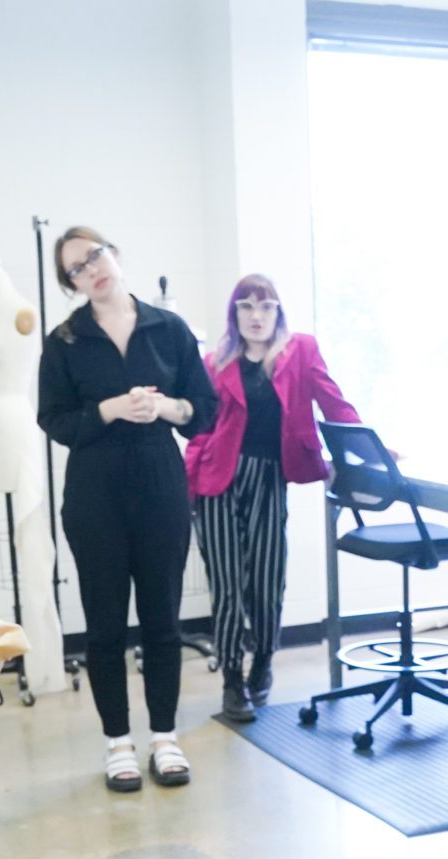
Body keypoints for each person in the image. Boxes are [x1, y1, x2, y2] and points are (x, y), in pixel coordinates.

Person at [37, 227, 217, 792]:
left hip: (161, 485)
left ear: (114, 254)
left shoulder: (169, 328)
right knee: (106, 626)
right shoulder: (64, 341)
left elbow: (204, 409)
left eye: (95, 256)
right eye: (76, 268)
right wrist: (111, 409)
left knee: (164, 620)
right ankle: (118, 742)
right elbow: (55, 421)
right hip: (95, 495)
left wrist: (165, 407)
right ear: (70, 284)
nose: (92, 269)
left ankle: (165, 737)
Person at [184, 275, 364, 721]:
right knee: (227, 587)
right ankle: (231, 679)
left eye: (265, 307)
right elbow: (201, 431)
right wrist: (185, 487)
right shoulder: (215, 363)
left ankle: (262, 661)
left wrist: (367, 445)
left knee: (266, 581)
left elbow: (333, 403)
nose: (256, 316)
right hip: (218, 481)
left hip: (269, 478)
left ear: (278, 312)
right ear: (235, 315)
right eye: (246, 306)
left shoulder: (300, 351)